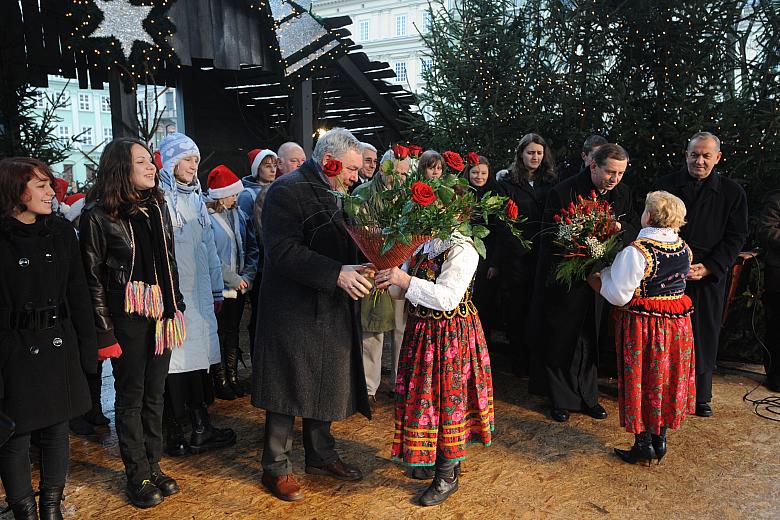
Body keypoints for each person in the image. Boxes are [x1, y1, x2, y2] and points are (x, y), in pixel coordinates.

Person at [251, 128, 372, 502]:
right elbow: (283, 252)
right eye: (351, 169)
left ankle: (320, 454)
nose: (356, 176)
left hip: (329, 305)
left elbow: (339, 243)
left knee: (325, 383)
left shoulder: (338, 193)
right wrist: (336, 273)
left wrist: (369, 264)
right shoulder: (286, 190)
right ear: (329, 161)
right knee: (287, 388)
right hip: (294, 311)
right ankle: (276, 467)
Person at [80, 138, 185, 509]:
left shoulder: (157, 206)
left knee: (156, 394)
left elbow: (168, 259)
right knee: (131, 397)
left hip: (161, 313)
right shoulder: (97, 215)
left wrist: (177, 304)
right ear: (120, 168)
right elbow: (91, 279)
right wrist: (104, 331)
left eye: (149, 160)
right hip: (126, 316)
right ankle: (136, 473)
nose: (150, 166)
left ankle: (153, 464)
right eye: (140, 161)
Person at [0, 157, 97, 519]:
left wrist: (89, 347)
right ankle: (23, 509)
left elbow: (78, 292)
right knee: (16, 435)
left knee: (58, 427)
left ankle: (51, 506)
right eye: (39, 185)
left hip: (58, 341)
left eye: (48, 183)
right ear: (15, 190)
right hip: (14, 348)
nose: (50, 191)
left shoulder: (59, 232)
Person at [375, 230, 494, 507]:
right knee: (426, 401)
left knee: (446, 402)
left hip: (449, 336)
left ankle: (447, 474)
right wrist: (387, 274)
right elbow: (399, 290)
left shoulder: (462, 246)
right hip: (422, 334)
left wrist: (403, 279)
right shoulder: (423, 243)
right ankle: (436, 460)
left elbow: (448, 298)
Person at [587, 191, 696, 465]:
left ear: (649, 216)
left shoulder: (638, 252)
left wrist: (599, 280)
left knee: (643, 379)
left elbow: (620, 295)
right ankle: (660, 439)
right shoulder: (684, 247)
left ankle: (643, 444)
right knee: (665, 379)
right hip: (677, 328)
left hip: (645, 328)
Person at [535, 143, 638, 423]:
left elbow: (632, 230)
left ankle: (587, 397)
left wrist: (618, 230)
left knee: (590, 338)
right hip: (567, 279)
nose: (615, 179)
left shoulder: (623, 193)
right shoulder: (563, 191)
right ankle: (560, 399)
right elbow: (550, 239)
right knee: (562, 338)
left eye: (620, 173)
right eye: (610, 172)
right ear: (593, 166)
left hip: (602, 278)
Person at [656, 132, 748, 417]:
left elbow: (737, 237)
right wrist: (674, 262)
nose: (700, 160)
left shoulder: (733, 193)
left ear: (717, 158)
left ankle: (700, 396)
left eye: (707, 155)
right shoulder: (666, 186)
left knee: (704, 336)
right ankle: (666, 391)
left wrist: (709, 267)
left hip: (709, 275)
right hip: (669, 274)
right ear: (686, 155)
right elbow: (654, 226)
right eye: (695, 154)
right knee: (667, 336)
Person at [157, 133, 236, 457]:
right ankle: (174, 429)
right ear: (172, 160)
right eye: (187, 159)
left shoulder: (195, 200)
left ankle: (201, 425)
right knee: (173, 364)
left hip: (199, 296)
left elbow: (209, 251)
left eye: (195, 160)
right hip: (173, 297)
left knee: (194, 364)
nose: (193, 166)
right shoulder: (160, 200)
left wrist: (216, 289)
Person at [494, 134, 557, 374]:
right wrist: (519, 246)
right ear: (521, 154)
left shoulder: (549, 182)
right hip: (517, 257)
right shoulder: (507, 183)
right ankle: (519, 361)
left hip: (542, 254)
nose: (535, 157)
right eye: (531, 152)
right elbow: (501, 221)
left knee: (538, 308)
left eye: (539, 153)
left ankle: (536, 361)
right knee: (517, 310)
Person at [351, 149, 411, 403]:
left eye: (403, 174)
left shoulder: (411, 198)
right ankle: (368, 388)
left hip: (402, 271)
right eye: (392, 172)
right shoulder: (363, 195)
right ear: (381, 168)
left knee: (401, 328)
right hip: (372, 268)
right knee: (373, 330)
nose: (397, 178)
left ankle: (399, 383)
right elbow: (358, 229)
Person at [206, 165, 259, 401]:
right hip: (220, 287)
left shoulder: (240, 214)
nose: (236, 198)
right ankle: (220, 380)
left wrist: (248, 276)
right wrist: (234, 279)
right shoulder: (207, 219)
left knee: (233, 331)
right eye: (232, 194)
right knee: (219, 333)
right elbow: (211, 255)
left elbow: (251, 248)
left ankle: (233, 376)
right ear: (220, 195)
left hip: (239, 287)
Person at [239, 148, 276, 367]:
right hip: (260, 264)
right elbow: (246, 232)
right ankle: (257, 361)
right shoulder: (247, 194)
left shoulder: (279, 188)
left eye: (274, 165)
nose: (272, 169)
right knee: (259, 316)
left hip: (272, 262)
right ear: (257, 169)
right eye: (266, 165)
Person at [464, 155, 501, 347]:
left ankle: (483, 343)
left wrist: (495, 262)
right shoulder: (461, 192)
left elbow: (499, 232)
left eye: (483, 173)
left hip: (487, 256)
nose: (479, 176)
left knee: (484, 302)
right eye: (475, 172)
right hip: (464, 253)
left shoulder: (495, 194)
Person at [757, 191, 780, 392]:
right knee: (776, 329)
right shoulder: (776, 199)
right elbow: (766, 230)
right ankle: (775, 377)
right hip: (778, 279)